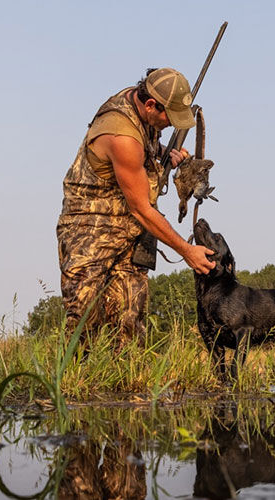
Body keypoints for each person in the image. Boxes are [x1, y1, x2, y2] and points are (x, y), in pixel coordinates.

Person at [56, 67, 216, 347]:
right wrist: (187, 251)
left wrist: (164, 154)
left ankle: (130, 389)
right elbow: (142, 208)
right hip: (90, 226)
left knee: (130, 319)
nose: (171, 123)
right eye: (170, 117)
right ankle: (72, 386)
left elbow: (143, 153)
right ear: (151, 104)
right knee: (84, 319)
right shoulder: (122, 136)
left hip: (130, 228)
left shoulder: (141, 106)